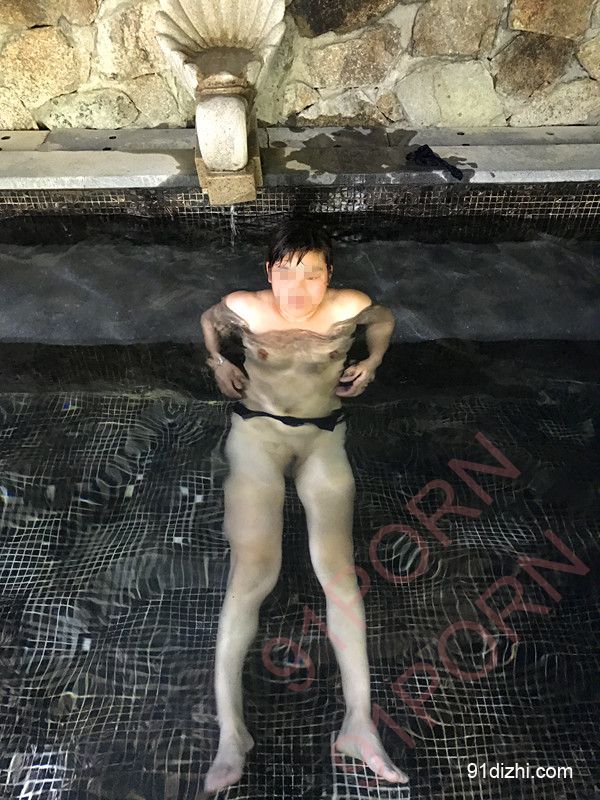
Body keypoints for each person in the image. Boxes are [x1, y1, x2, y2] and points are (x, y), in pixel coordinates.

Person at [200, 219, 407, 793]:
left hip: (323, 436)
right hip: (257, 434)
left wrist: (373, 361)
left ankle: (359, 723)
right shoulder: (246, 308)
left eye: (312, 274)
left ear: (329, 274)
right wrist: (219, 362)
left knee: (338, 575)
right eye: (286, 273)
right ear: (269, 273)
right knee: (252, 574)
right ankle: (231, 733)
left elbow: (384, 319)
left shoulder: (349, 308)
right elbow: (209, 321)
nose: (298, 288)